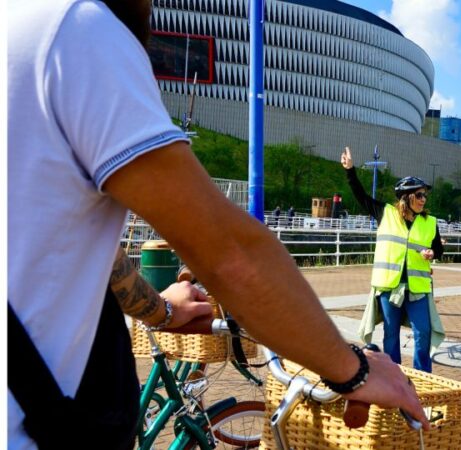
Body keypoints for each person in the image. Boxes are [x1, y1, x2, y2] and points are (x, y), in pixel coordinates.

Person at [8, 2, 428, 448]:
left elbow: (91, 253)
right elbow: (230, 255)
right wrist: (353, 369)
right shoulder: (76, 29)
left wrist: (164, 311)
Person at [340, 147, 445, 373]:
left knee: (423, 331)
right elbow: (361, 196)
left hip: (417, 288)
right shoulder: (385, 213)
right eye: (419, 195)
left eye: (425, 195)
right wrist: (350, 170)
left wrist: (433, 253)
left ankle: (422, 376)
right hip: (389, 286)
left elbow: (437, 248)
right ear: (406, 197)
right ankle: (394, 375)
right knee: (390, 333)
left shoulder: (430, 222)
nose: (423, 199)